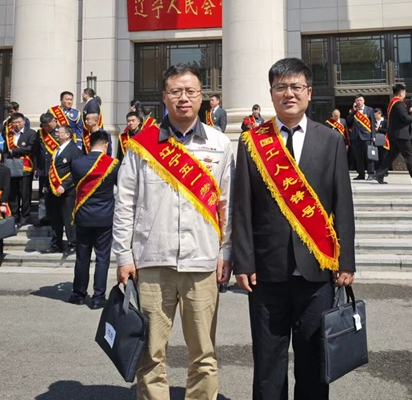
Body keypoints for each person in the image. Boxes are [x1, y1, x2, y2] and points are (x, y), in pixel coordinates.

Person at [232, 57, 355, 400]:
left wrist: (346, 260)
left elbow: (342, 204)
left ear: (309, 93)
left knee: (314, 362)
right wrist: (244, 262)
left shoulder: (330, 140)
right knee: (267, 364)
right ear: (271, 93)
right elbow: (242, 207)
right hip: (266, 274)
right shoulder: (251, 142)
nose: (289, 93)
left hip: (317, 273)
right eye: (281, 87)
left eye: (296, 87)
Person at [113, 63, 233, 400]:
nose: (184, 98)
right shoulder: (141, 144)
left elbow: (227, 204)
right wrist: (123, 255)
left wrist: (226, 251)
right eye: (176, 91)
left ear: (202, 97)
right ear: (164, 97)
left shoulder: (220, 144)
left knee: (204, 355)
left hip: (202, 262)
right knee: (150, 354)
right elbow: (125, 203)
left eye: (191, 91)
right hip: (152, 262)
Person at [70, 130, 119, 309]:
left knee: (82, 258)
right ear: (106, 144)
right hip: (105, 217)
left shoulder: (77, 163)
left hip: (83, 216)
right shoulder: (113, 164)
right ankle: (98, 297)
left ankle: (79, 294)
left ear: (89, 144)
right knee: (102, 258)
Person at [376, 83, 412, 185]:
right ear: (401, 93)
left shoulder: (393, 103)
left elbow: (400, 117)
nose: (405, 94)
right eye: (404, 92)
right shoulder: (399, 103)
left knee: (391, 156)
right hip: (401, 135)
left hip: (394, 134)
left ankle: (380, 174)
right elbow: (405, 118)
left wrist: (408, 112)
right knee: (409, 156)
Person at [41, 125, 82, 255]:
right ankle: (56, 244)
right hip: (54, 190)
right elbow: (52, 169)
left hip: (68, 191)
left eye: (59, 132)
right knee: (55, 219)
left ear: (67, 135)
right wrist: (47, 184)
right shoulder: (57, 149)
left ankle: (73, 244)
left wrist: (64, 185)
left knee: (68, 217)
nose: (56, 134)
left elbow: (76, 171)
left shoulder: (74, 150)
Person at [4, 112, 36, 226]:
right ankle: (15, 215)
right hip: (11, 165)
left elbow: (30, 148)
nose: (17, 125)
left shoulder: (31, 133)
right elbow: (4, 149)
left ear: (23, 122)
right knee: (13, 192)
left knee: (25, 193)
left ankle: (25, 216)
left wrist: (14, 151)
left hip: (25, 166)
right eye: (14, 123)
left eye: (19, 122)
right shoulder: (8, 134)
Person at [34, 113, 59, 226]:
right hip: (43, 169)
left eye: (49, 125)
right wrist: (35, 167)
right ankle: (43, 218)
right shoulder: (40, 134)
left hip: (57, 170)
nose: (47, 128)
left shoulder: (61, 132)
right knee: (43, 194)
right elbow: (35, 152)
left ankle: (56, 218)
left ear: (54, 121)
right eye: (44, 126)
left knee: (55, 195)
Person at [347, 94, 376, 180]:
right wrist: (354, 111)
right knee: (358, 157)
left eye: (360, 100)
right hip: (356, 137)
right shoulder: (353, 111)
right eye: (357, 101)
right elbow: (348, 121)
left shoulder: (369, 110)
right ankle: (361, 174)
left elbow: (372, 124)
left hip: (367, 136)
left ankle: (371, 173)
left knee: (369, 156)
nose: (359, 102)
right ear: (355, 102)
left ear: (364, 101)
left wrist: (373, 135)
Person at [81, 88, 103, 154]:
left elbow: (93, 118)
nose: (82, 95)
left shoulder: (92, 103)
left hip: (92, 132)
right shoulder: (90, 103)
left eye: (83, 93)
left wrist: (91, 131)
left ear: (86, 94)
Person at [373, 108, 389, 173]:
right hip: (376, 140)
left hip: (384, 140)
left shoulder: (385, 121)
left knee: (384, 156)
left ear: (380, 114)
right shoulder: (373, 122)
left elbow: (387, 130)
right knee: (376, 156)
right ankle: (377, 170)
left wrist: (379, 129)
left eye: (376, 115)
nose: (375, 116)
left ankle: (384, 171)